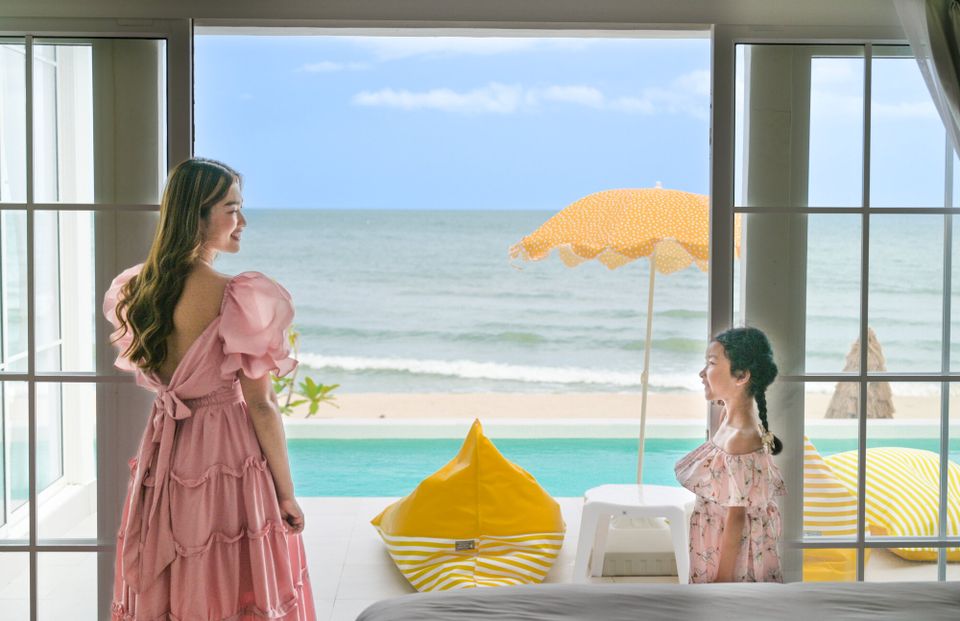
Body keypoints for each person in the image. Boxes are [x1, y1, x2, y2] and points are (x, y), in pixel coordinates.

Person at [104, 158, 315, 620]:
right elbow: (262, 406)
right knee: (233, 580)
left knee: (181, 573)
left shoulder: (140, 290)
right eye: (232, 209)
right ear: (196, 216)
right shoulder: (235, 295)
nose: (242, 222)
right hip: (228, 458)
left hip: (166, 453)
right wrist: (285, 493)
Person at [674, 326, 786, 583]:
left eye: (712, 364)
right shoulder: (726, 416)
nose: (702, 373)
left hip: (732, 548)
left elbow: (737, 518)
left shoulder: (741, 438)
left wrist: (722, 582)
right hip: (716, 535)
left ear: (742, 376)